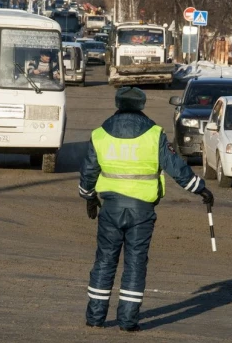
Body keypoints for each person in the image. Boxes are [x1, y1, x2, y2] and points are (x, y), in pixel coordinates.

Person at [79, 87, 214, 332]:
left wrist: (88, 196)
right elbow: (175, 167)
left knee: (105, 260)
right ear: (142, 105)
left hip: (110, 208)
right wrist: (200, 188)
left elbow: (89, 171)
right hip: (141, 211)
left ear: (117, 104)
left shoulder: (99, 134)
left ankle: (95, 317)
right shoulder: (154, 134)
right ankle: (128, 321)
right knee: (135, 263)